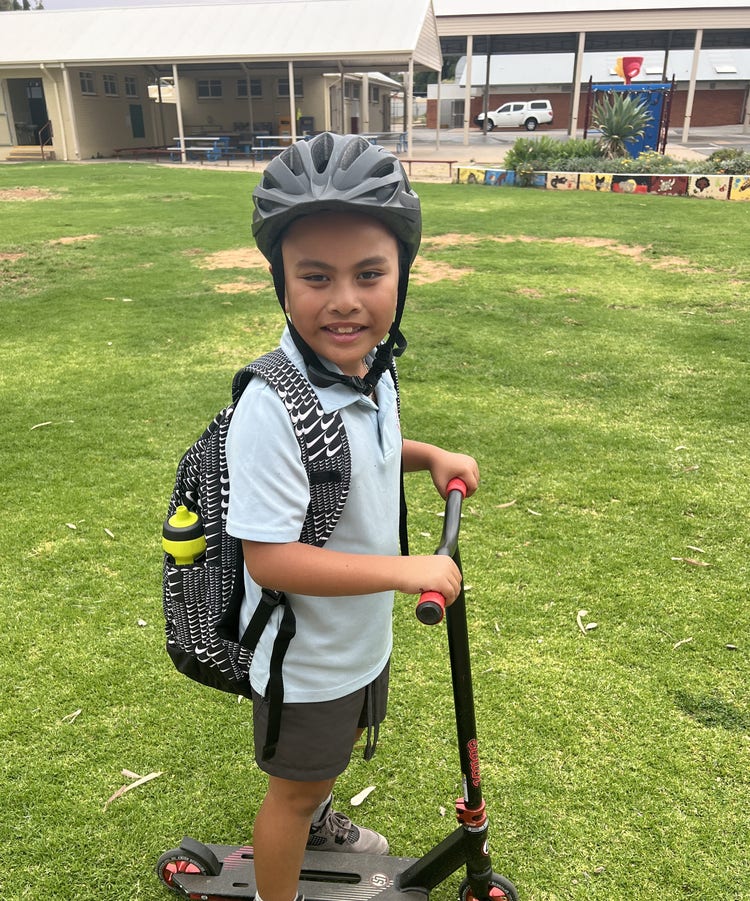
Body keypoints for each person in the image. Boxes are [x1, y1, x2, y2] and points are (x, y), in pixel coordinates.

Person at [225, 132, 479, 901]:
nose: (344, 300)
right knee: (293, 790)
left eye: (369, 274)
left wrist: (427, 455)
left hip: (360, 632)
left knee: (327, 765)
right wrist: (406, 571)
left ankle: (323, 818)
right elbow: (268, 558)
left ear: (401, 274)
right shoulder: (271, 407)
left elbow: (363, 448)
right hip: (307, 656)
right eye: (316, 276)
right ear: (281, 284)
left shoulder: (370, 366)